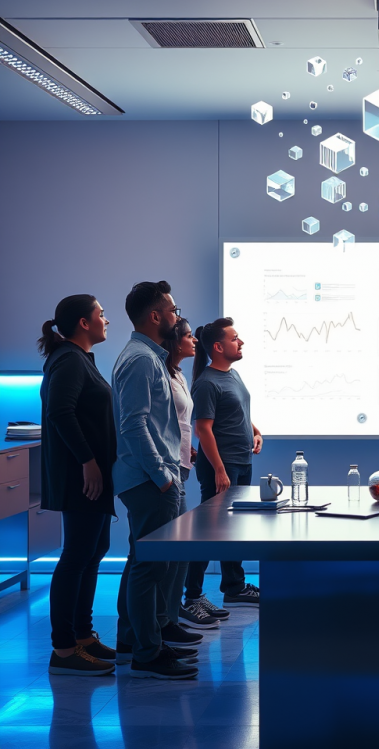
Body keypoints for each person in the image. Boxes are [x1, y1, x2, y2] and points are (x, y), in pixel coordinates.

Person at [112, 281, 199, 680]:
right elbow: (134, 425)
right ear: (155, 316)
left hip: (151, 478)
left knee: (142, 563)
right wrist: (163, 476)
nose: (178, 316)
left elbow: (157, 423)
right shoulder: (142, 360)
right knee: (150, 567)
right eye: (173, 309)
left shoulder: (147, 356)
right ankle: (147, 652)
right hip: (150, 480)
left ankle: (136, 639)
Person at [39, 295, 116, 676]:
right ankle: (65, 649)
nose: (106, 319)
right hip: (81, 476)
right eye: (101, 314)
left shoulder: (81, 358)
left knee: (94, 549)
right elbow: (59, 411)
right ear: (84, 323)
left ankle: (83, 637)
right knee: (77, 555)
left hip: (93, 474)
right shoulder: (69, 359)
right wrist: (88, 461)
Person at [184, 318, 263, 609]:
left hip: (241, 461)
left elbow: (238, 408)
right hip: (223, 465)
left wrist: (255, 430)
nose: (240, 342)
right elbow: (203, 429)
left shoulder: (233, 375)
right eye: (235, 338)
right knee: (209, 531)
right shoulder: (206, 382)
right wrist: (218, 469)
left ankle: (234, 587)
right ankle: (192, 594)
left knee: (233, 530)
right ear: (218, 347)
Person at [162, 318, 225, 630]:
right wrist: (162, 474)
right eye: (188, 336)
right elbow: (143, 425)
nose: (194, 340)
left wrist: (188, 450)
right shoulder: (163, 372)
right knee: (164, 554)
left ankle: (174, 615)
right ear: (175, 342)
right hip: (166, 474)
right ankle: (169, 617)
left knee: (183, 548)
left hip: (181, 466)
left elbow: (179, 425)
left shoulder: (179, 375)